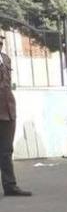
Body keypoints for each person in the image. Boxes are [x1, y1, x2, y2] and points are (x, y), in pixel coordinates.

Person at [0, 34, 30, 197]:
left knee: (6, 150)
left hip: (7, 109)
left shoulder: (5, 59)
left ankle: (10, 185)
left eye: (1, 40)